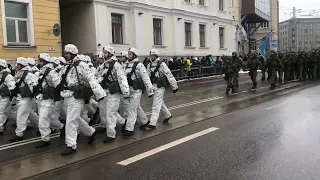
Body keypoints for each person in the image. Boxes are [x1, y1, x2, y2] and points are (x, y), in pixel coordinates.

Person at [59, 44, 106, 156]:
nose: (66, 55)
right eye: (65, 53)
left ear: (73, 54)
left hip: (77, 95)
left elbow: (91, 79)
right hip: (67, 94)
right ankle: (90, 132)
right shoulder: (66, 66)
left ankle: (71, 145)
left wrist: (99, 94)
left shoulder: (81, 65)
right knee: (74, 118)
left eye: (68, 53)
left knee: (71, 120)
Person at [98, 46, 129, 143]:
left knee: (110, 112)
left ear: (111, 54)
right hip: (105, 91)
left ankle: (111, 134)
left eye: (106, 53)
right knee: (108, 111)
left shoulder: (116, 65)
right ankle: (123, 122)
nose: (104, 54)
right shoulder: (104, 64)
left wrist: (126, 93)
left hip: (114, 91)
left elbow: (122, 79)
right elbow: (99, 75)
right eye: (104, 52)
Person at [143, 49, 178, 130]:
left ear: (156, 56)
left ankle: (152, 123)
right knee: (159, 103)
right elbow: (147, 77)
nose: (151, 57)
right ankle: (168, 115)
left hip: (160, 87)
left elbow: (169, 75)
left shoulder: (162, 64)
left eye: (153, 55)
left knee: (156, 105)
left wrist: (174, 86)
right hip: (153, 86)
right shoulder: (149, 65)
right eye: (151, 55)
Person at [34, 53, 63, 148]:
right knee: (50, 119)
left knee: (43, 119)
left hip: (49, 99)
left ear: (44, 61)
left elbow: (58, 85)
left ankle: (45, 139)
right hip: (42, 98)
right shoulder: (41, 71)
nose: (39, 62)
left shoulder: (51, 72)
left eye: (40, 60)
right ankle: (62, 127)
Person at [123, 48, 153, 136]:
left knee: (132, 109)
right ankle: (145, 121)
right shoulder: (126, 65)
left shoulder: (139, 65)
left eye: (130, 54)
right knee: (136, 107)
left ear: (135, 55)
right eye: (128, 54)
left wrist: (150, 90)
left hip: (137, 90)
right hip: (129, 90)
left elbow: (146, 78)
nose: (128, 56)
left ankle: (129, 129)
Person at [10, 57, 38, 142]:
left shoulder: (28, 74)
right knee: (31, 114)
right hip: (20, 97)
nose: (16, 66)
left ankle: (19, 134)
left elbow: (34, 85)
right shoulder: (19, 73)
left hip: (26, 98)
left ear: (21, 65)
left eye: (18, 64)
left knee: (21, 115)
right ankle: (43, 126)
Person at [0, 59, 16, 135]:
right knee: (8, 113)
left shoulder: (8, 76)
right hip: (1, 96)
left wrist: (11, 98)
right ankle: (20, 121)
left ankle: (0, 128)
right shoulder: (1, 74)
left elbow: (12, 87)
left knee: (2, 112)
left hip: (5, 97)